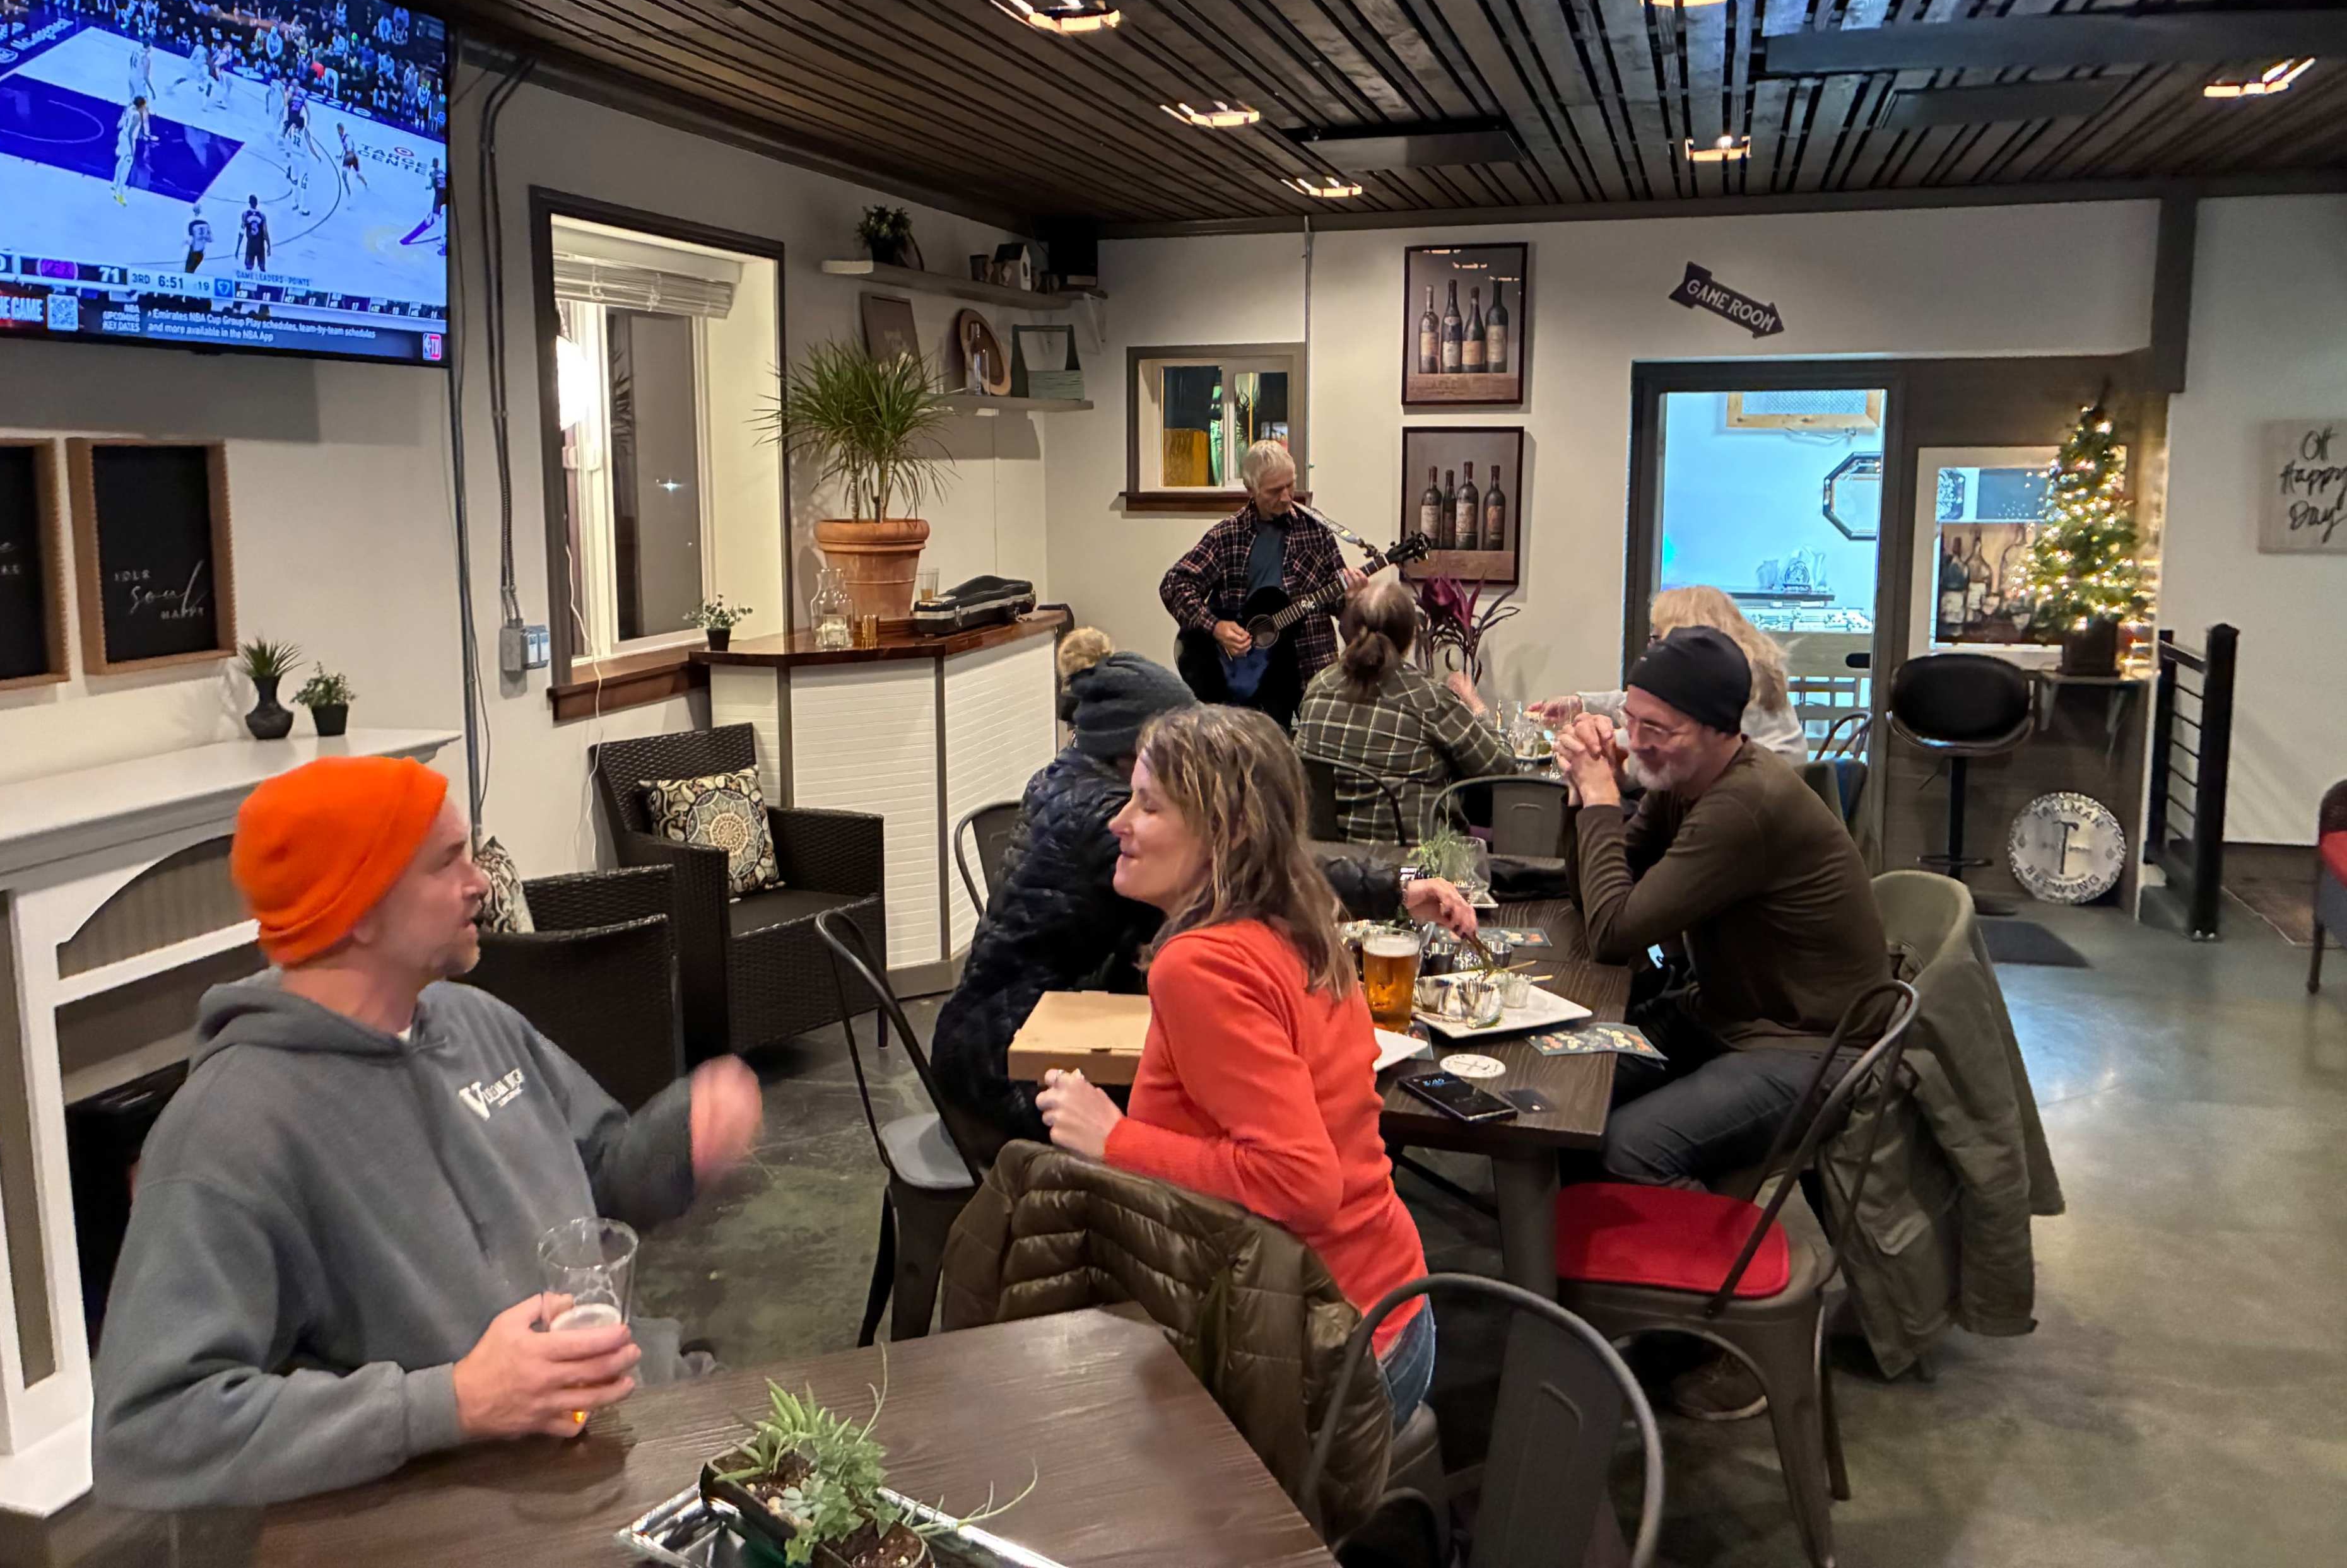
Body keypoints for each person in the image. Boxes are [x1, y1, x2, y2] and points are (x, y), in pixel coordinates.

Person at [91, 756, 765, 1508]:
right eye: (448, 862)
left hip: (636, 1418)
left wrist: (681, 1137)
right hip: (482, 1502)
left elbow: (602, 1177)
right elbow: (148, 1431)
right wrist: (452, 1401)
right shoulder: (229, 1128)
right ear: (360, 908)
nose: (480, 882)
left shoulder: (476, 1020)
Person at [1037, 705, 1434, 1431]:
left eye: (1148, 805)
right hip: (1391, 1306)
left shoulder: (1200, 964)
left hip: (1326, 1355)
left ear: (1230, 833)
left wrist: (1115, 1138)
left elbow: (1300, 1183)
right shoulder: (1298, 919)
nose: (1117, 822)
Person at [931, 634, 1477, 1155]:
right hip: (1001, 1066)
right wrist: (1396, 887)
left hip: (1018, 1030)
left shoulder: (1069, 777)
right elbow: (1257, 857)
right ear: (1135, 753)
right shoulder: (1106, 820)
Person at [1553, 626, 1890, 1196]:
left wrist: (1605, 800)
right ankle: (1584, 1255)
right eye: (1630, 720)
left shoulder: (1744, 803)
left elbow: (1614, 933)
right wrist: (1584, 794)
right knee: (1563, 1089)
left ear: (1720, 730)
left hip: (1806, 1045)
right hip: (1721, 1013)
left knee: (1622, 1149)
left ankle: (1718, 1266)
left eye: (1657, 729)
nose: (1634, 743)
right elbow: (1596, 895)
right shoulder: (1683, 777)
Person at [1294, 573, 1517, 843]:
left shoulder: (1318, 688)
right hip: (1415, 870)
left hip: (1334, 868)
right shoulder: (1429, 700)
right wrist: (1475, 704)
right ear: (1410, 637)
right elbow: (1502, 771)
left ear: (1350, 627)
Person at [1159, 439, 1363, 730]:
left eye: (1290, 486)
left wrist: (1353, 597)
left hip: (1311, 667)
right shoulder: (1228, 536)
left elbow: (1338, 605)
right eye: (1274, 491)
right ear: (1251, 490)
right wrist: (1216, 628)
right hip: (1245, 676)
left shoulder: (1316, 531)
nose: (1286, 497)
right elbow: (1175, 585)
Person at [1535, 585, 1809, 761]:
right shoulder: (1748, 663)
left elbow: (1658, 737)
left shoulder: (1724, 680)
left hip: (1752, 809)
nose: (1651, 647)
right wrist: (1582, 704)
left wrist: (1584, 741)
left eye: (1657, 636)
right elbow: (1655, 708)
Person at [237, 193, 269, 272]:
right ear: (257, 203)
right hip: (260, 245)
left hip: (251, 245)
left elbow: (241, 232)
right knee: (262, 270)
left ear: (249, 203)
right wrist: (269, 246)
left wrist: (237, 248)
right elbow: (265, 233)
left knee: (248, 270)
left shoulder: (245, 215)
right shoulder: (262, 215)